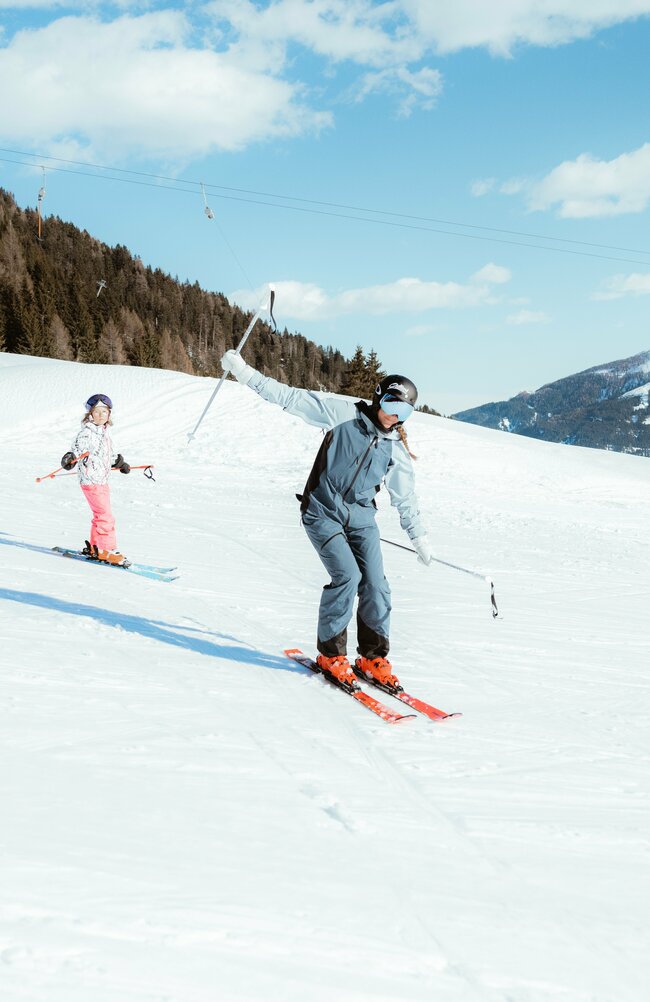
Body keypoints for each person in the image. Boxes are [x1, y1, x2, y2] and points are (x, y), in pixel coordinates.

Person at [220, 350, 432, 691]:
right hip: (322, 512)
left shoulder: (395, 449)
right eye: (392, 405)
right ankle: (332, 655)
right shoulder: (341, 415)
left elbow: (405, 497)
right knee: (347, 576)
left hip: (362, 520)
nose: (396, 416)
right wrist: (244, 373)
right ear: (379, 397)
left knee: (376, 584)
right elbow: (290, 398)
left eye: (404, 411)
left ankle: (372, 657)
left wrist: (419, 538)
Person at [60, 393, 131, 566]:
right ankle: (107, 550)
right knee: (105, 516)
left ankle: (96, 547)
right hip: (91, 480)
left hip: (101, 480)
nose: (101, 415)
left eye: (104, 412)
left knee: (100, 515)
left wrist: (120, 463)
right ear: (90, 414)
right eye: (97, 412)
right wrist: (70, 457)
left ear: (109, 414)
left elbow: (107, 455)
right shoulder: (87, 433)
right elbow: (78, 449)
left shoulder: (104, 433)